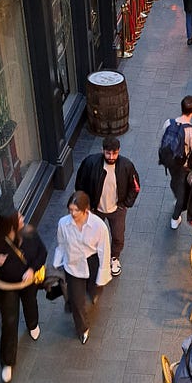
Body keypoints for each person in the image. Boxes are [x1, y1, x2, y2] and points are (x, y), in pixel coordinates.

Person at [0, 197, 47, 383]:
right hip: (7, 287)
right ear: (9, 224)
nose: (22, 217)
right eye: (18, 216)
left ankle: (33, 324)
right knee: (9, 322)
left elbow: (42, 253)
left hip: (28, 283)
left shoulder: (29, 233)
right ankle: (7, 362)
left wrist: (32, 269)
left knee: (31, 304)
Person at [74, 135, 140, 277]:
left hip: (117, 209)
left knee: (118, 237)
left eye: (114, 153)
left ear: (119, 151)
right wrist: (85, 205)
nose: (111, 156)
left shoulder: (126, 166)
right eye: (108, 153)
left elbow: (135, 187)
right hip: (95, 209)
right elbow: (80, 184)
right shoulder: (90, 163)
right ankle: (96, 257)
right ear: (102, 150)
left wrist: (125, 204)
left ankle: (114, 258)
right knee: (93, 236)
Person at [53, 190, 111, 345]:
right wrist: (57, 263)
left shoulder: (98, 226)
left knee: (93, 288)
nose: (72, 213)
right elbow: (61, 244)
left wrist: (102, 277)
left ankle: (93, 290)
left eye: (76, 210)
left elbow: (104, 251)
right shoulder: (63, 224)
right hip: (73, 265)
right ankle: (82, 328)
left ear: (86, 210)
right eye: (70, 210)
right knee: (77, 301)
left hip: (91, 262)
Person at [162, 95, 192, 230]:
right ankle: (175, 218)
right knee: (183, 193)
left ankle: (176, 193)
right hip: (182, 166)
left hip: (169, 162)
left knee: (175, 181)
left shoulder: (169, 122)